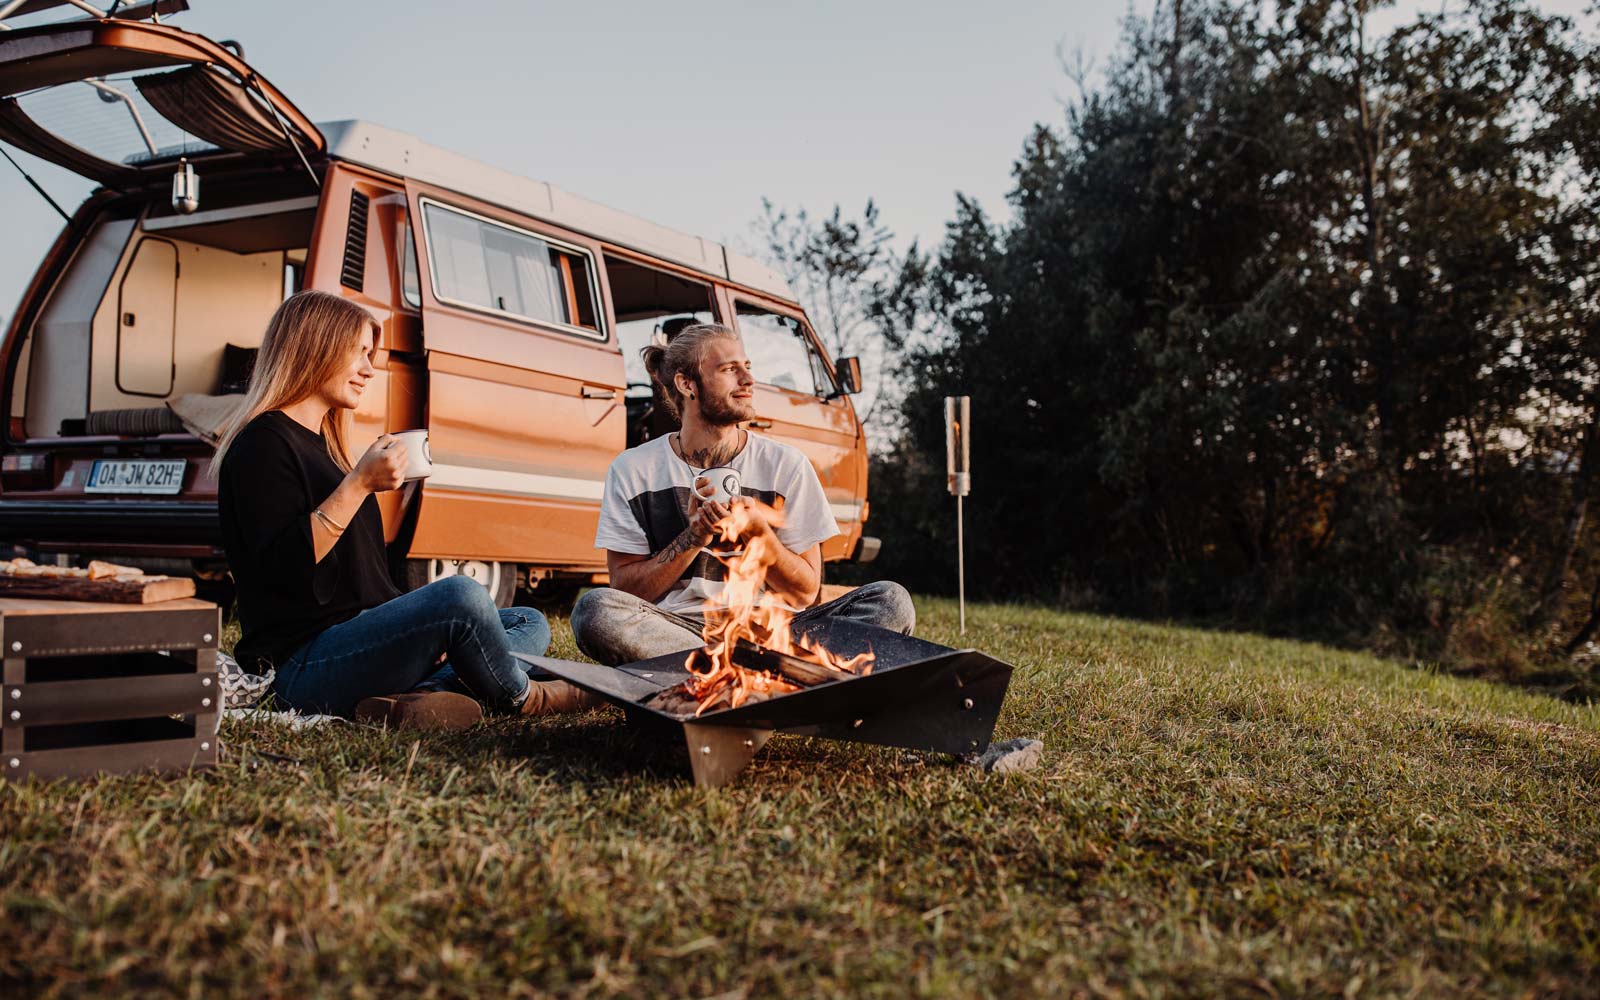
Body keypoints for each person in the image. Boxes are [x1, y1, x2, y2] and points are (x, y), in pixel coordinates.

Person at [212, 290, 595, 728]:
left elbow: (366, 587)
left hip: (356, 642)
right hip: (299, 668)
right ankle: (523, 697)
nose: (368, 370)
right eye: (358, 353)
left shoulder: (328, 448)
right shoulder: (262, 444)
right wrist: (358, 485)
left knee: (525, 620)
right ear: (316, 347)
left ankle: (417, 699)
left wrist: (428, 630)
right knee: (462, 595)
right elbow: (284, 569)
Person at [571, 322, 914, 665]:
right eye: (729, 369)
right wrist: (694, 537)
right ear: (687, 384)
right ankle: (758, 674)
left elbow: (807, 591)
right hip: (680, 632)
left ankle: (715, 673)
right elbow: (625, 590)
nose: (749, 381)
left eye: (747, 367)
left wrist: (760, 535)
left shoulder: (786, 465)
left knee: (890, 601)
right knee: (595, 611)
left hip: (778, 632)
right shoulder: (634, 469)